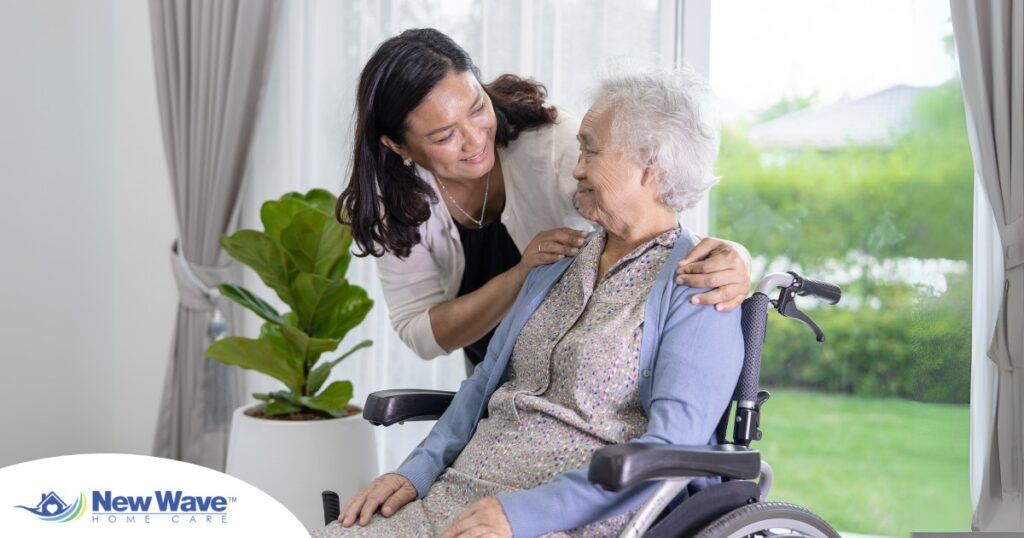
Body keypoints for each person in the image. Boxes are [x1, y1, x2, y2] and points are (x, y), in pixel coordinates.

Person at [315, 67, 744, 537]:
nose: (577, 166)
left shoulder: (699, 285)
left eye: (591, 150)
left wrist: (523, 515)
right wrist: (413, 472)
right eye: (579, 148)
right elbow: (481, 386)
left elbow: (671, 447)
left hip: (573, 515)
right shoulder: (556, 261)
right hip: (463, 493)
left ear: (651, 166)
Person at [335, 28, 751, 371]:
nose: (476, 138)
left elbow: (656, 217)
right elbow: (421, 333)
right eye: (445, 136)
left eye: (478, 108)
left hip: (581, 374)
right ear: (398, 147)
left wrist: (732, 257)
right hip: (500, 386)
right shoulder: (395, 203)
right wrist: (522, 275)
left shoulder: (557, 148)